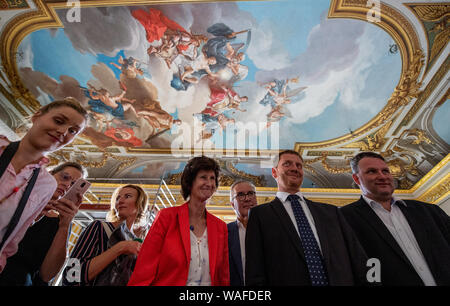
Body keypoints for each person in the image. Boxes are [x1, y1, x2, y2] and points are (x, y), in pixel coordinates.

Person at [245, 150, 368, 286]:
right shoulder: (260, 215)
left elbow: (358, 259)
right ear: (274, 172)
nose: (294, 168)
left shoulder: (331, 212)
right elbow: (255, 269)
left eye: (299, 166)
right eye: (287, 164)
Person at [0, 98, 88, 273]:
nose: (63, 131)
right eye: (58, 121)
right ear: (37, 116)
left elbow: (11, 241)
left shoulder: (45, 185)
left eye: (72, 131)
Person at [340, 151, 450, 286]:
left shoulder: (430, 211)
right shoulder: (344, 219)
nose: (382, 176)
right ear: (357, 179)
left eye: (385, 171)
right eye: (372, 171)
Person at [128, 156, 229, 286]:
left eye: (212, 178)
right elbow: (145, 267)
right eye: (203, 177)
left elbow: (223, 276)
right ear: (190, 182)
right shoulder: (166, 217)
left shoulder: (220, 227)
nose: (209, 183)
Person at [0, 162, 87, 285]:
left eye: (73, 185)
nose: (67, 185)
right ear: (50, 175)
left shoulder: (59, 222)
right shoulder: (19, 198)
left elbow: (47, 275)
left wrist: (64, 225)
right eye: (64, 177)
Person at [62, 184, 148, 286]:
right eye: (117, 198)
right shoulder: (99, 227)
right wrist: (120, 247)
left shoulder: (136, 243)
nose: (120, 201)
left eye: (128, 196)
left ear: (140, 205)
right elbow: (71, 275)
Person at [228, 180, 257, 286]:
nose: (247, 199)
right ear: (232, 204)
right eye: (240, 195)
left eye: (250, 193)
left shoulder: (270, 229)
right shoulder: (224, 233)